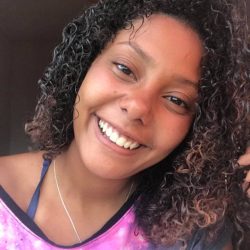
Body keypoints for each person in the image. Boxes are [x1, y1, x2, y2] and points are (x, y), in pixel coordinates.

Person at [0, 0, 249, 249]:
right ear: (85, 64)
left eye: (176, 100)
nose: (138, 107)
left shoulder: (195, 234)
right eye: (125, 68)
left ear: (198, 129)